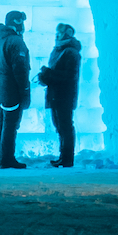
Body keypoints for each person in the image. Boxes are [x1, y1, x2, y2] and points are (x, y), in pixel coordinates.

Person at [0, 10, 30, 169]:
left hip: (0, 87)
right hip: (11, 89)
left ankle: (2, 158)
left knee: (2, 122)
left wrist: (0, 81)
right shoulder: (15, 42)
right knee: (10, 124)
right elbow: (20, 70)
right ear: (17, 23)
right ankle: (7, 159)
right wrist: (24, 90)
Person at [38, 22, 83, 167]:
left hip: (65, 95)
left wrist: (48, 74)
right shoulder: (58, 50)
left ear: (67, 34)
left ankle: (67, 158)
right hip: (56, 94)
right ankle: (63, 156)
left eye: (60, 32)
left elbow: (69, 76)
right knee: (59, 126)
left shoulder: (71, 52)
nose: (57, 34)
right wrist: (45, 77)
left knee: (65, 126)